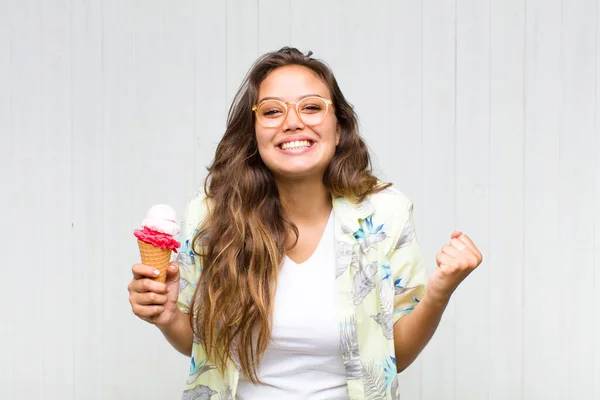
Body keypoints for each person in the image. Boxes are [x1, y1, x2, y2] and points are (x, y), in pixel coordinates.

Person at [127, 47, 483, 400]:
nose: (293, 121)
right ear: (253, 132)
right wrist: (169, 314)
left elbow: (395, 359)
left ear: (339, 127)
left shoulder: (385, 215)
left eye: (312, 107)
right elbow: (201, 348)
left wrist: (440, 291)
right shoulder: (211, 214)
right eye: (272, 111)